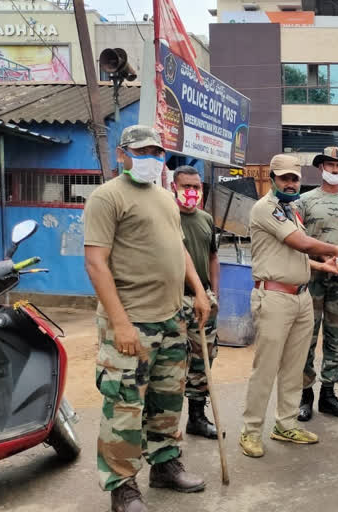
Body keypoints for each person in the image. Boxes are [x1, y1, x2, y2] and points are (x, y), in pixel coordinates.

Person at [84, 125, 211, 512]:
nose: (151, 159)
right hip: (132, 321)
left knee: (167, 400)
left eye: (157, 152)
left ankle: (165, 465)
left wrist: (199, 291)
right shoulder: (107, 198)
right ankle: (122, 487)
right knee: (124, 407)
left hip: (172, 317)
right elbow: (95, 262)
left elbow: (179, 248)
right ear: (123, 154)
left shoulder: (166, 198)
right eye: (142, 152)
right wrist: (120, 323)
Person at [239, 154, 338, 458]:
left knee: (294, 366)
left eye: (294, 178)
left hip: (301, 296)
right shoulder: (267, 208)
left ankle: (285, 424)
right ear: (273, 178)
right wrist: (337, 248)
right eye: (284, 178)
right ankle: (250, 431)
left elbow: (296, 253)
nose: (290, 183)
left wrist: (324, 267)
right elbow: (300, 243)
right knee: (266, 367)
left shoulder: (291, 211)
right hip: (274, 297)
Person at [296, 147, 338, 422]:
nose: (335, 170)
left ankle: (328, 394)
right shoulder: (303, 201)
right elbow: (295, 241)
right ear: (320, 167)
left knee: (336, 337)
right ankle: (304, 395)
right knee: (306, 337)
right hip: (310, 278)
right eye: (330, 165)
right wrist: (321, 256)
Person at [172, 166, 221, 439]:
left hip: (203, 298)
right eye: (185, 186)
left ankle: (197, 418)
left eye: (196, 187)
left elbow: (213, 256)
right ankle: (165, 426)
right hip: (174, 299)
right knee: (174, 361)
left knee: (204, 358)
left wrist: (214, 292)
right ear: (173, 188)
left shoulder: (205, 219)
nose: (191, 192)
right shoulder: (167, 217)